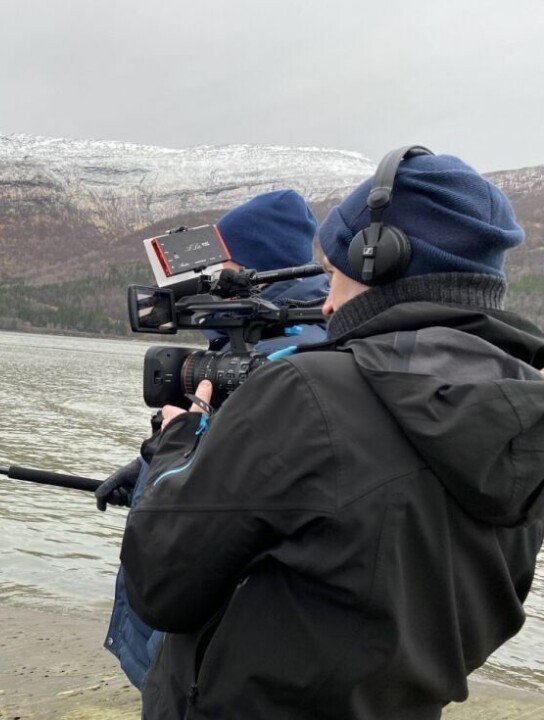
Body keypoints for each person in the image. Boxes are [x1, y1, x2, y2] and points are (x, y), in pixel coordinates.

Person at [120, 147, 544, 719]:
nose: (326, 301)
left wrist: (177, 445)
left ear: (379, 263)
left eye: (337, 275)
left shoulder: (306, 393)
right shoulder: (525, 417)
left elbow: (160, 586)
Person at [96, 189, 329, 690]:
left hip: (217, 646)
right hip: (185, 644)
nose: (205, 277)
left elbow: (229, 492)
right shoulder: (243, 350)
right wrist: (145, 468)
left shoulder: (295, 365)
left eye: (221, 263)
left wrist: (170, 451)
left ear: (255, 266)